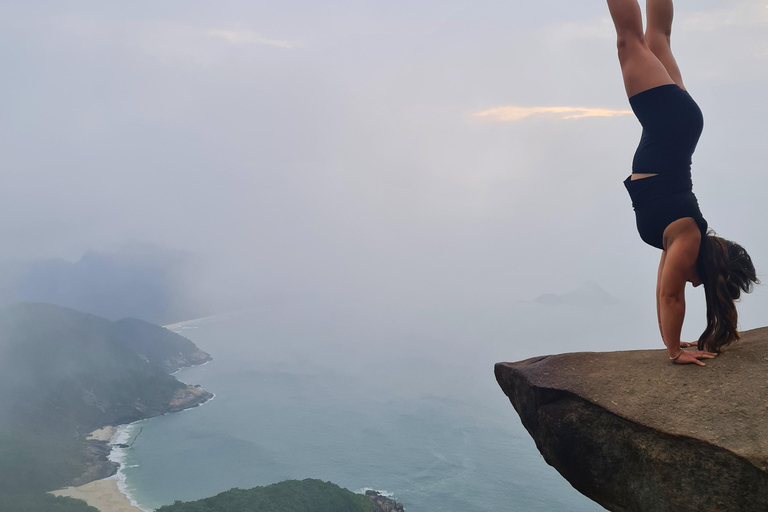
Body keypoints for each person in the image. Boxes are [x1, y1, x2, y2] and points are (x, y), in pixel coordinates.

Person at [607, 0, 758, 365]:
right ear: (709, 265)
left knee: (657, 37)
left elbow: (663, 293)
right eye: (701, 280)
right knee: (630, 40)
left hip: (679, 125)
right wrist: (675, 354)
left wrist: (673, 345)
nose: (693, 283)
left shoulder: (681, 236)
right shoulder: (688, 237)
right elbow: (672, 296)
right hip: (670, 122)